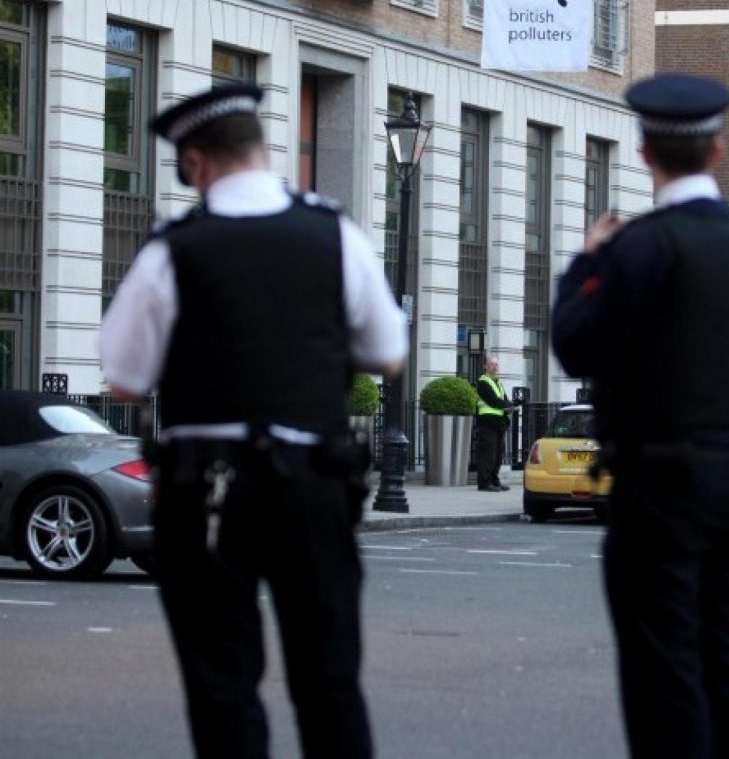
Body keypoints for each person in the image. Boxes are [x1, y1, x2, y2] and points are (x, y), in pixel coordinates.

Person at [99, 83, 407, 759]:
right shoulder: (333, 231)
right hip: (312, 484)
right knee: (328, 679)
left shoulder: (174, 248)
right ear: (263, 151)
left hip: (207, 490)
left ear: (197, 164)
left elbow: (124, 374)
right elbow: (387, 351)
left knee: (223, 683)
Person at [550, 73, 729, 759]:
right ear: (717, 152)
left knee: (664, 669)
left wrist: (582, 265)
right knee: (724, 651)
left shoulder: (639, 249)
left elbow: (577, 346)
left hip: (655, 485)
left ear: (644, 154)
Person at [475, 355, 512, 491]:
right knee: (487, 454)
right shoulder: (483, 382)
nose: (495, 367)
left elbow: (504, 399)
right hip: (487, 423)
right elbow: (493, 401)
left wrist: (510, 406)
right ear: (485, 366)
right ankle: (484, 483)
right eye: (491, 364)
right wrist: (508, 406)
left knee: (498, 454)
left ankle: (494, 480)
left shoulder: (498, 383)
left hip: (499, 423)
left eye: (496, 364)